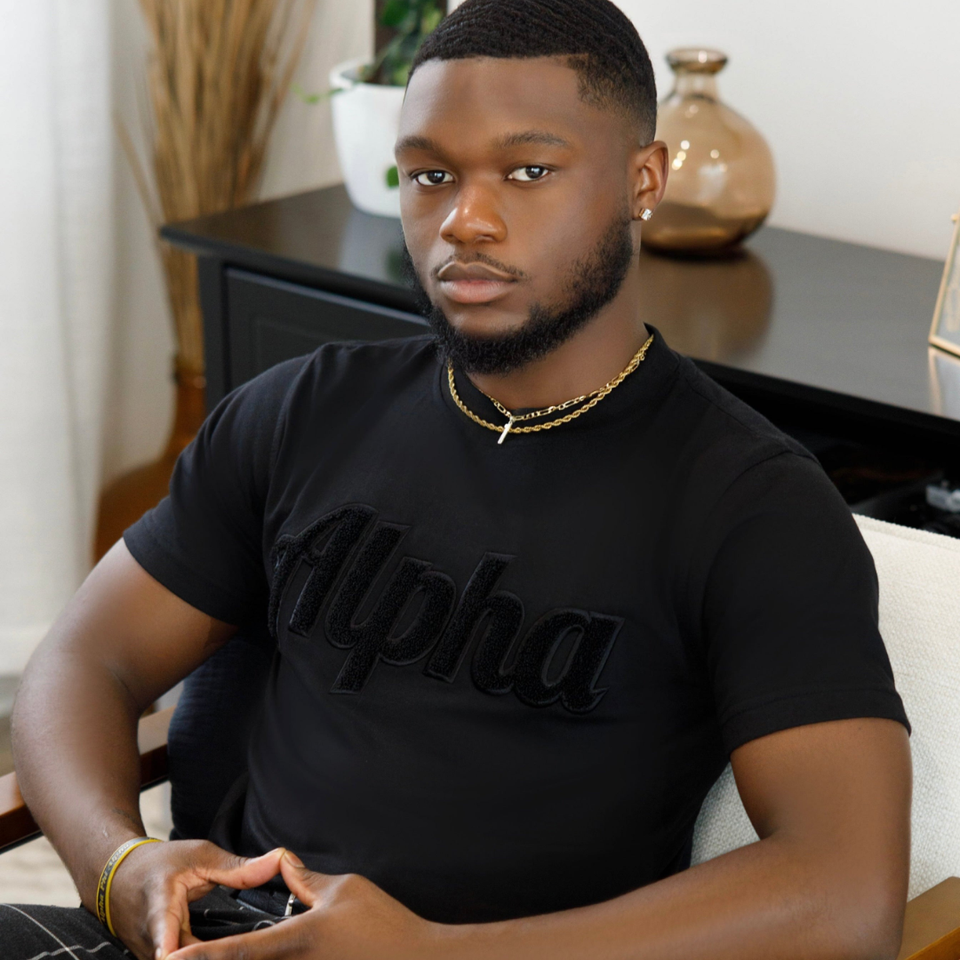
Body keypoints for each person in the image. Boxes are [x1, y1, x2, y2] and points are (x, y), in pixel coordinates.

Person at [3, 0, 912, 958]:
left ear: (643, 180)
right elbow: (82, 662)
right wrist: (119, 866)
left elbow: (845, 893)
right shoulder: (302, 410)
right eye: (431, 175)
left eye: (528, 172)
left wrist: (432, 955)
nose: (464, 221)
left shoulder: (752, 505)